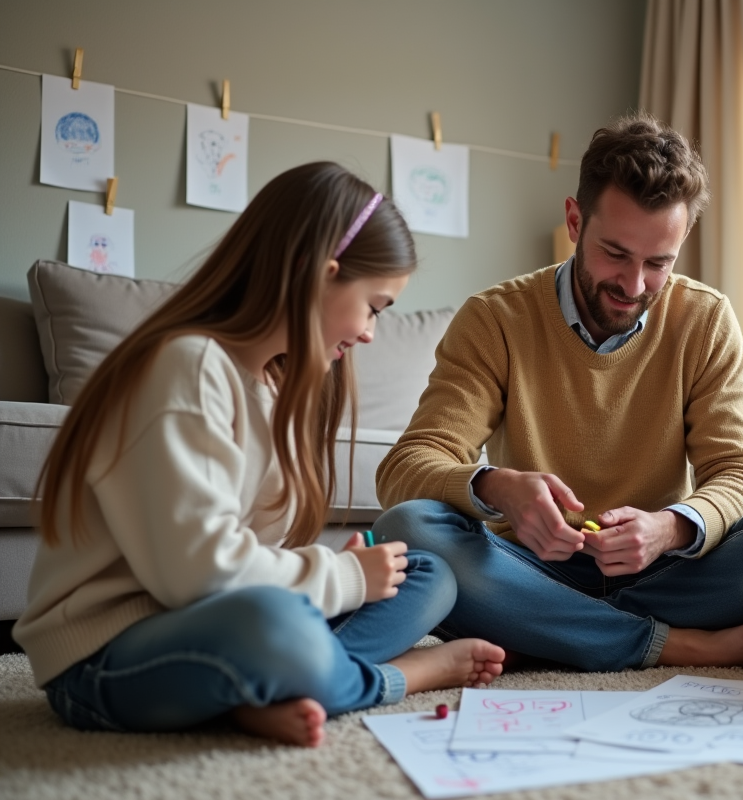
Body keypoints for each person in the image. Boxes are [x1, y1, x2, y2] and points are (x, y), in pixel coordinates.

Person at [14, 163, 504, 748]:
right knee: (277, 626)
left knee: (427, 575)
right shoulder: (186, 368)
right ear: (318, 275)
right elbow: (197, 576)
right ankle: (388, 678)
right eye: (374, 306)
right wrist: (340, 577)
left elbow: (237, 548)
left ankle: (267, 687)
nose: (371, 332)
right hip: (106, 656)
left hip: (205, 622)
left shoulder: (269, 386)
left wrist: (332, 572)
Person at [372, 113, 743, 672]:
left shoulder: (704, 319)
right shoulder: (495, 319)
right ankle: (667, 643)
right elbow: (405, 469)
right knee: (406, 530)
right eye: (616, 254)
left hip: (664, 569)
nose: (634, 286)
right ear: (575, 221)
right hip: (531, 568)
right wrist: (498, 487)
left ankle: (556, 628)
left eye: (659, 263)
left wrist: (670, 527)